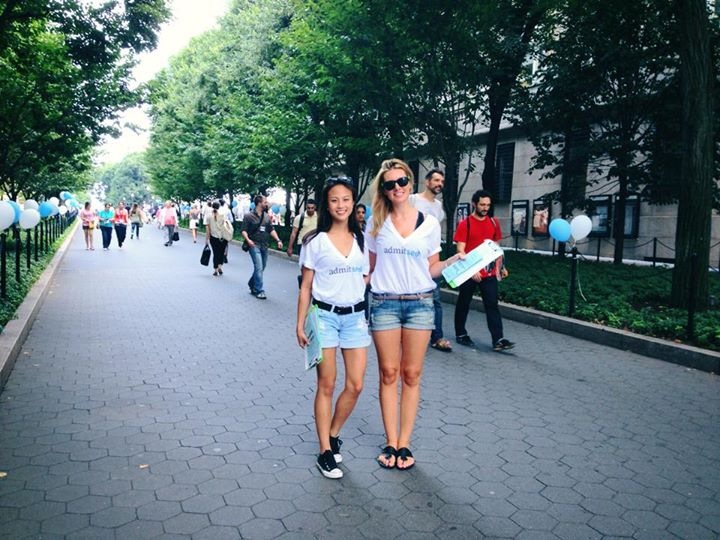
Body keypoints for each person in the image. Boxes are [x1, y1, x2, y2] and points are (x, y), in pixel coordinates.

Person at [366, 158, 456, 470]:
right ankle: (390, 441)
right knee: (389, 374)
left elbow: (431, 268)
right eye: (389, 184)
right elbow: (369, 269)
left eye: (401, 181)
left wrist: (452, 263)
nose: (396, 188)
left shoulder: (430, 224)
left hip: (420, 303)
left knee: (412, 374)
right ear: (384, 190)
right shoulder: (376, 223)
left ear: (410, 183)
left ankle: (405, 443)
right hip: (385, 304)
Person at [296, 177, 370, 479]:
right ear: (327, 204)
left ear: (353, 202)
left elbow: (365, 276)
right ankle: (325, 451)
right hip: (324, 317)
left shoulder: (362, 238)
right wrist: (300, 324)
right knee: (326, 384)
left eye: (346, 199)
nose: (341, 205)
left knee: (356, 385)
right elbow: (306, 286)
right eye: (334, 200)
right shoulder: (315, 241)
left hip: (355, 318)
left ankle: (334, 433)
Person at [453, 189, 514, 352]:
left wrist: (501, 267)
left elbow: (495, 248)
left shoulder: (494, 223)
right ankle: (461, 333)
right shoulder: (465, 224)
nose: (485, 208)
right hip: (469, 273)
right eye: (482, 204)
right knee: (463, 303)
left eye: (488, 205)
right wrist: (471, 270)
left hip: (489, 273)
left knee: (492, 304)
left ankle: (498, 339)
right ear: (474, 204)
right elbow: (461, 251)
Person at [409, 168, 452, 353]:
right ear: (427, 182)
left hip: (430, 258)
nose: (439, 184)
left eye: (441, 181)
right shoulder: (413, 200)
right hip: (410, 257)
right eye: (436, 180)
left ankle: (437, 337)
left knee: (435, 298)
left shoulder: (439, 207)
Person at [241, 195, 283, 300]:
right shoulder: (248, 216)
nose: (267, 204)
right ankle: (259, 290)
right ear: (259, 203)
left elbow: (271, 229)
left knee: (262, 267)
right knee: (259, 267)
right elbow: (243, 230)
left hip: (264, 245)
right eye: (265, 202)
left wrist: (278, 240)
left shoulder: (266, 216)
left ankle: (252, 283)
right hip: (254, 245)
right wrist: (248, 240)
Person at [205, 201, 228, 276]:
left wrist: (207, 239)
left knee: (216, 253)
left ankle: (215, 269)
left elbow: (208, 229)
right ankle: (220, 267)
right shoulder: (223, 215)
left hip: (213, 237)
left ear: (212, 206)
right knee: (221, 253)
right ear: (219, 207)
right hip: (223, 237)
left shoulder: (208, 216)